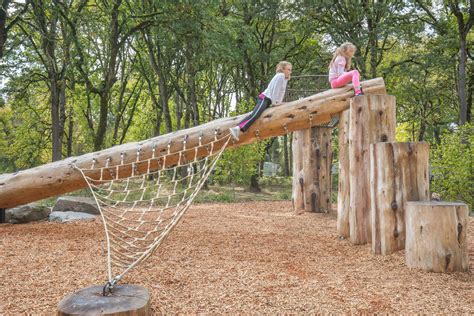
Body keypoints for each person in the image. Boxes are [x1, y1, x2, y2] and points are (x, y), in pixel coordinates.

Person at [229, 61, 292, 141]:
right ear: (282, 69)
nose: (290, 72)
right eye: (288, 69)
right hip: (265, 98)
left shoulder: (285, 78)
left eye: (290, 70)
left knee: (257, 115)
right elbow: (275, 90)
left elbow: (281, 92)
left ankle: (238, 129)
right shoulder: (280, 76)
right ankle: (237, 128)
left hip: (269, 100)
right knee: (255, 115)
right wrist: (275, 103)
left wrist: (279, 102)